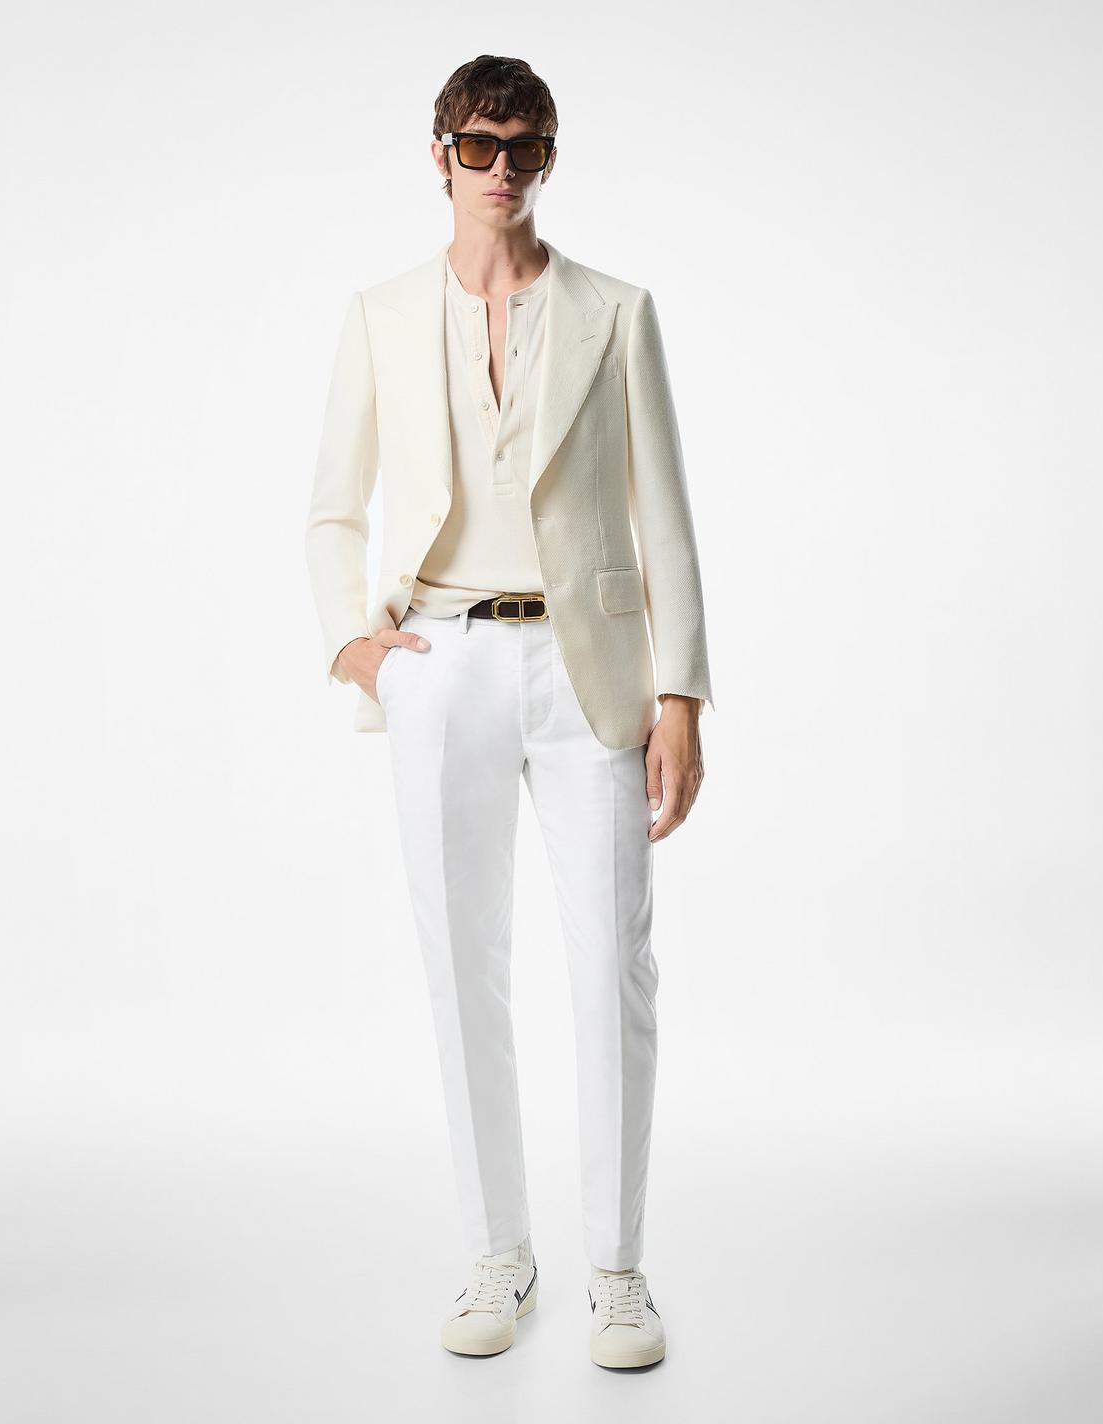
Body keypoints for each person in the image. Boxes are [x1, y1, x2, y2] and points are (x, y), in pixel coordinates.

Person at [304, 54, 712, 1369]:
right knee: (459, 965)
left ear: (549, 157)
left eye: (524, 147)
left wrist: (681, 693)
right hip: (440, 662)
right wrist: (357, 649)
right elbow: (331, 507)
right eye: (479, 146)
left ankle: (617, 1274)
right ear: (440, 154)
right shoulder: (380, 313)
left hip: (589, 672)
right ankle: (499, 1253)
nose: (501, 170)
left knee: (613, 968)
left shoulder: (616, 312)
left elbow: (664, 513)